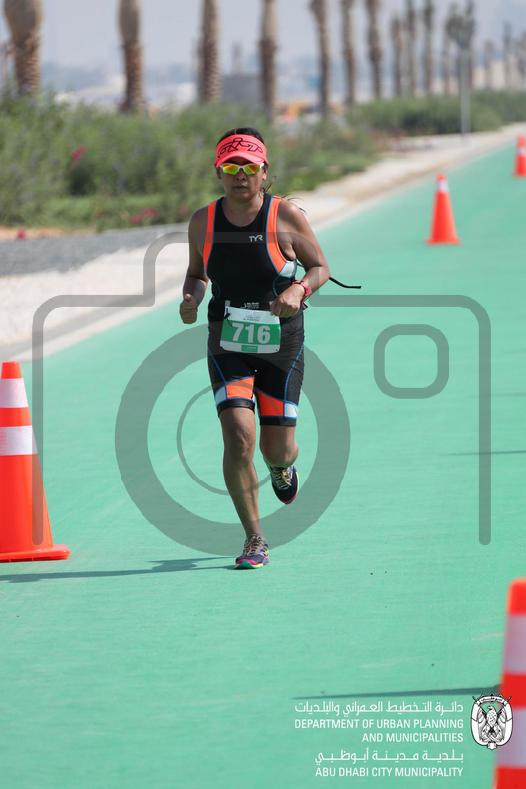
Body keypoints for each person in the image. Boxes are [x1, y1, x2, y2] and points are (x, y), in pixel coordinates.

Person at [180, 127, 331, 568]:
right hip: (229, 341)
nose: (239, 176)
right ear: (218, 173)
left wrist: (299, 289)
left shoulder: (285, 216)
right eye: (230, 168)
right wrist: (190, 297)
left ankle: (282, 467)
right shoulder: (204, 221)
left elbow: (320, 267)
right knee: (238, 435)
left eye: (248, 167)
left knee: (276, 448)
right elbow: (196, 273)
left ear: (264, 171)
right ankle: (254, 538)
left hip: (282, 343)